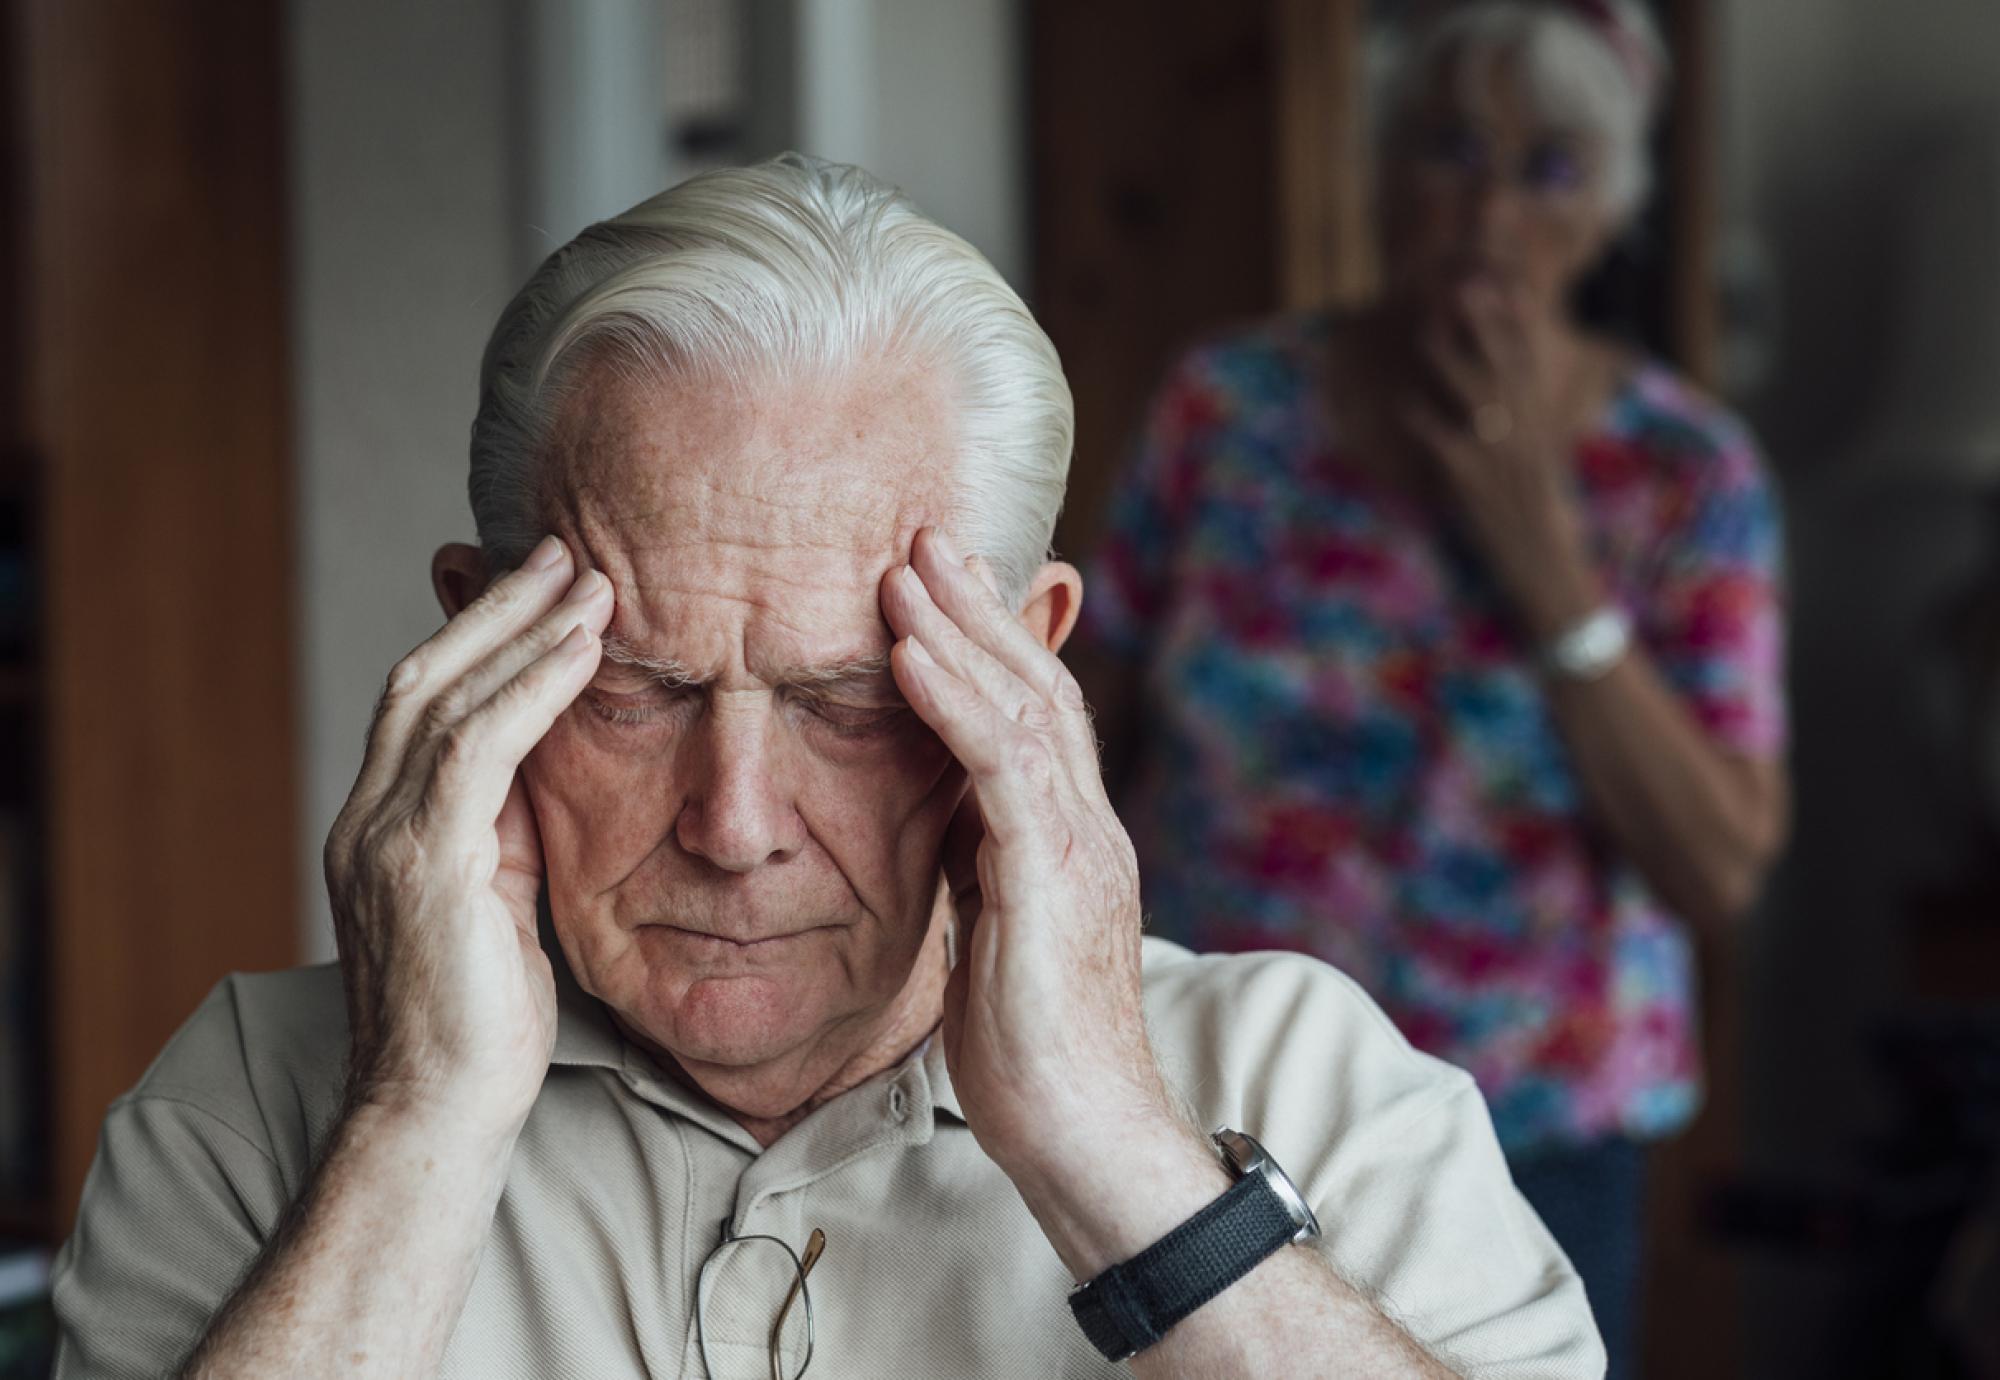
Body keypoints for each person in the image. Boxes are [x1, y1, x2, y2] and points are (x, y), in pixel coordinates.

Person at [49, 155, 1601, 1378]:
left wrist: (1113, 1147)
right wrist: (417, 1125)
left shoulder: (1312, 1085)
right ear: (475, 651)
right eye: (638, 691)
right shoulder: (253, 1107)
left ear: (1028, 667)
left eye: (850, 704)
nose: (734, 827)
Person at [1072, 3, 1786, 1374]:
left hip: (1539, 1127)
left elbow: (1721, 866)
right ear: (1380, 172)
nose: (1487, 205)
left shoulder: (1685, 475)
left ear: (1616, 214)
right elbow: (1085, 722)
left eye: (1552, 166)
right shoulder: (1227, 410)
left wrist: (1545, 558)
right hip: (1215, 1088)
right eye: (1449, 148)